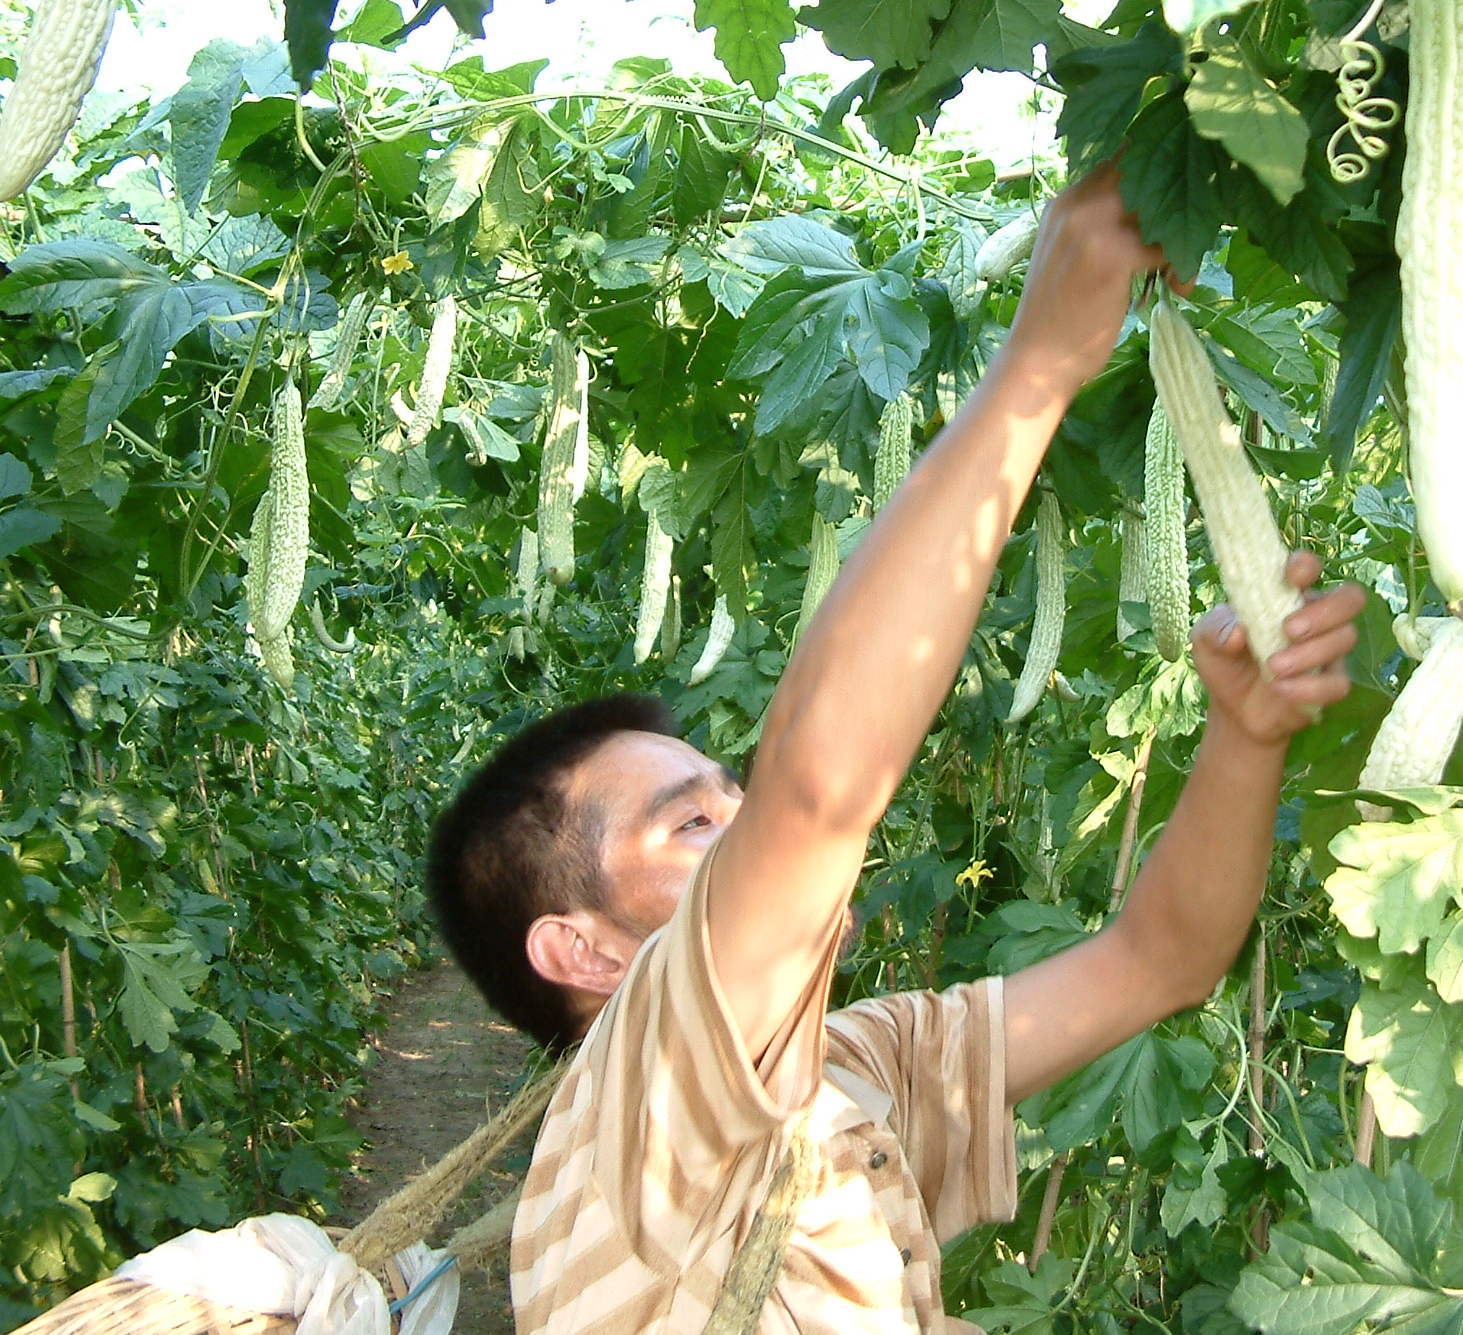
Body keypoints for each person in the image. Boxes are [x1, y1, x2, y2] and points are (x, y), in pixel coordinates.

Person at [424, 166, 1366, 1335]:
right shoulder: (644, 1100)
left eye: (732, 799)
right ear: (584, 951)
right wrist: (1032, 372)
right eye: (695, 824)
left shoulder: (851, 1069)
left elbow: (1157, 963)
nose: (745, 829)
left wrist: (1245, 733)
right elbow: (818, 795)